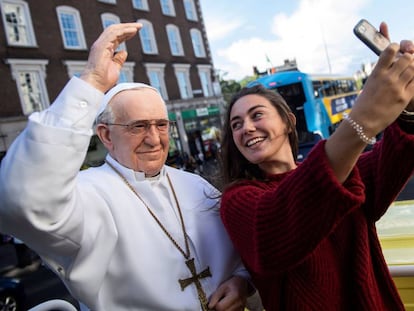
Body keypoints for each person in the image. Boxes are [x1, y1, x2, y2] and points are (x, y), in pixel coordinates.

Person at [0, 23, 258, 311]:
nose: (154, 138)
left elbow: (245, 253)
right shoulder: (87, 195)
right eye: (138, 127)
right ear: (106, 135)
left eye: (161, 125)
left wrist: (241, 281)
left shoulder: (195, 185)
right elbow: (20, 202)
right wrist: (93, 81)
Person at [219, 22, 414, 311]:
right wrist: (364, 118)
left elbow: (396, 155)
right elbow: (275, 228)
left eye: (256, 115)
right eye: (236, 125)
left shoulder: (346, 171)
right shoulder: (238, 200)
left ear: (288, 121)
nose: (246, 128)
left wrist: (408, 107)